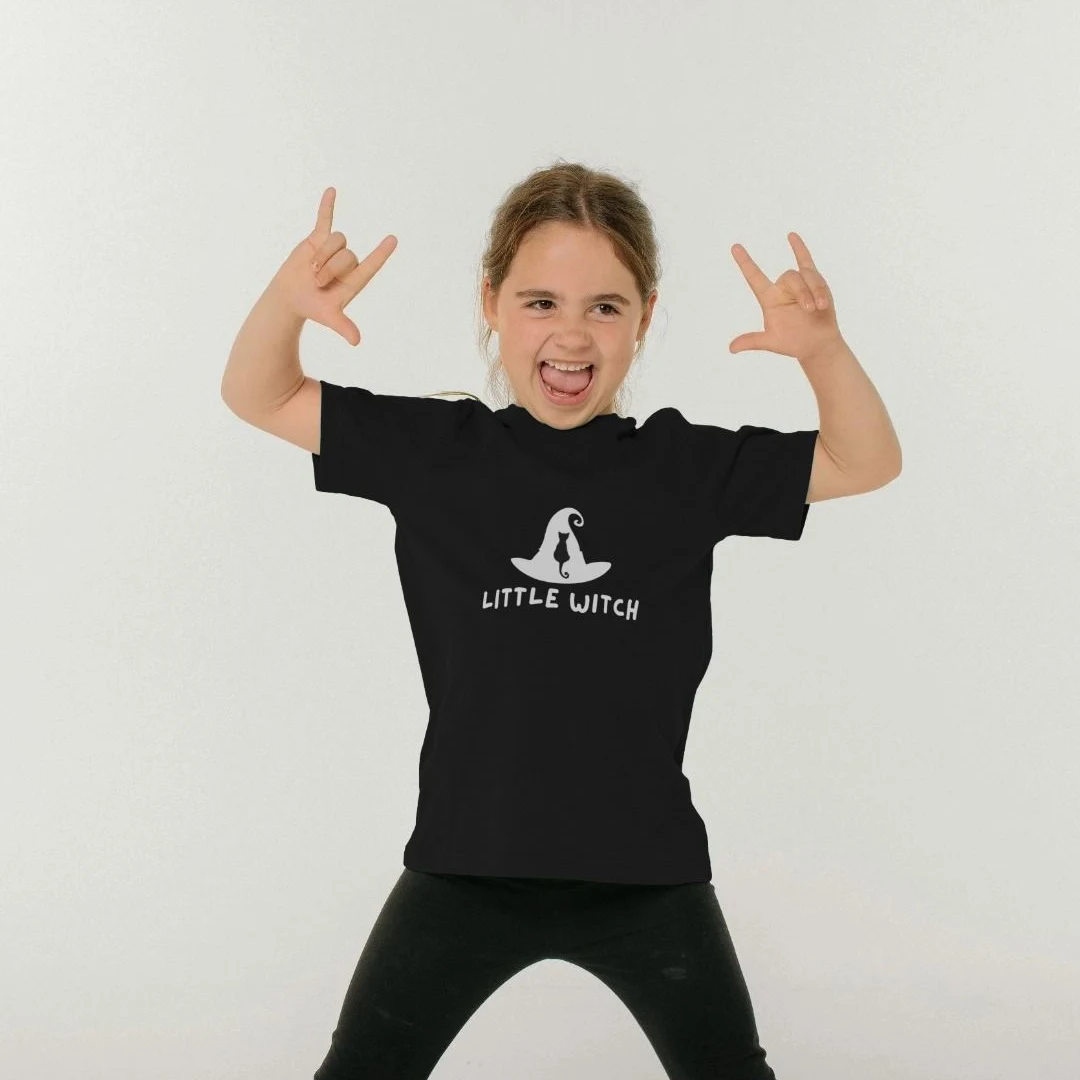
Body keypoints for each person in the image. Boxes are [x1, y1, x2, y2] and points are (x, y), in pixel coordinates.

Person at [221, 160, 902, 1080]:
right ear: (492, 305)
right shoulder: (435, 452)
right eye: (540, 303)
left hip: (646, 877)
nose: (572, 335)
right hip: (464, 867)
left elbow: (866, 461)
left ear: (645, 318)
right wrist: (286, 303)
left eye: (605, 307)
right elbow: (259, 394)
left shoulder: (682, 469)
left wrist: (822, 351)